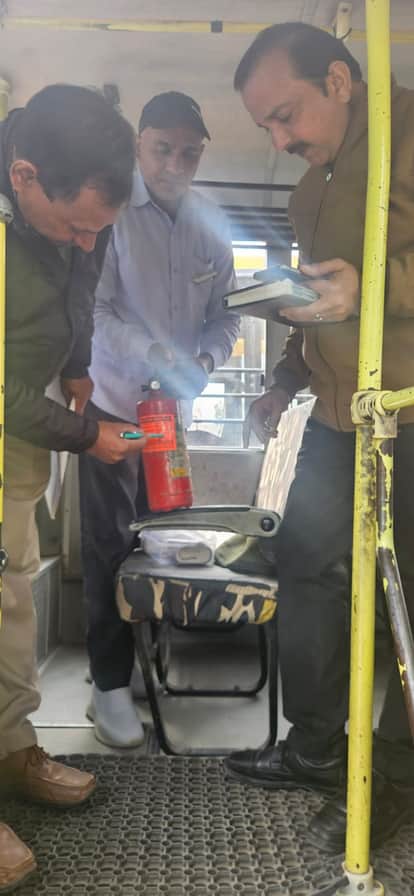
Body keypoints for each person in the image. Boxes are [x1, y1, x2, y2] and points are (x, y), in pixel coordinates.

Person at [224, 22, 414, 853]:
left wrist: (377, 286)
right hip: (340, 417)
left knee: (406, 597)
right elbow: (322, 307)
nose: (280, 138)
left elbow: (361, 292)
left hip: (408, 410)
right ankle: (314, 747)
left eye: (285, 114)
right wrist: (283, 378)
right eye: (265, 126)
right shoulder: (308, 191)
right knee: (305, 566)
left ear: (339, 80)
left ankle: (395, 779)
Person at [0, 83, 146, 891]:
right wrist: (88, 435)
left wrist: (81, 366)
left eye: (101, 228)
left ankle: (12, 749)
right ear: (23, 176)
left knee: (12, 601)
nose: (88, 242)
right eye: (75, 226)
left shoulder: (76, 220)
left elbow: (78, 284)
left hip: (19, 441)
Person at [79, 90, 240, 749]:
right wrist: (150, 352)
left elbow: (227, 318)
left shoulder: (211, 224)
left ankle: (147, 662)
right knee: (110, 545)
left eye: (189, 153)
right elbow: (95, 312)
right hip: (116, 409)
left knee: (163, 542)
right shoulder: (114, 212)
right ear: (140, 145)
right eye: (162, 149)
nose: (175, 164)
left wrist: (204, 360)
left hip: (170, 418)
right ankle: (108, 684)